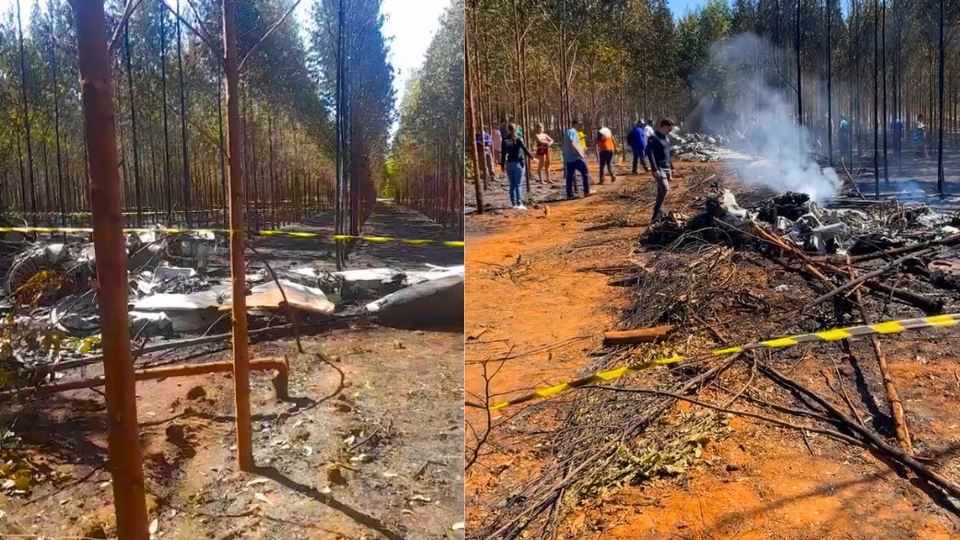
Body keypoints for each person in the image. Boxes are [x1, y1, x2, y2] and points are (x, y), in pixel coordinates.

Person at [646, 118, 675, 223]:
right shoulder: (653, 138)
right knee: (664, 188)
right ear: (663, 126)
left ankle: (659, 213)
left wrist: (672, 167)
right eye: (669, 128)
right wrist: (654, 168)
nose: (670, 131)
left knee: (661, 190)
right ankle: (655, 214)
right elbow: (650, 154)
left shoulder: (666, 139)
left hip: (667, 168)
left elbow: (668, 154)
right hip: (659, 168)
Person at [501, 123, 534, 210]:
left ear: (508, 129)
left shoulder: (505, 140)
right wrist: (532, 158)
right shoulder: (518, 139)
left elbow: (503, 153)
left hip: (509, 164)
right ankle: (519, 204)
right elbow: (525, 149)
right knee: (518, 184)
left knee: (512, 185)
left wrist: (502, 164)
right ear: (516, 129)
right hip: (518, 163)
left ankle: (513, 204)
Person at [563, 118, 590, 199]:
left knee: (570, 175)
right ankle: (586, 191)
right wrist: (579, 154)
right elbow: (572, 144)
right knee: (585, 172)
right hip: (575, 157)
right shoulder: (572, 132)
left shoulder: (568, 132)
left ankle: (569, 194)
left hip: (568, 157)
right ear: (576, 124)